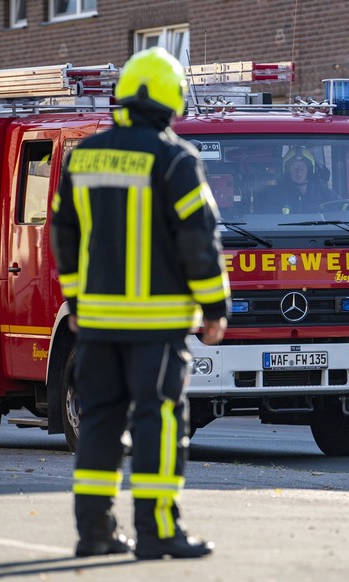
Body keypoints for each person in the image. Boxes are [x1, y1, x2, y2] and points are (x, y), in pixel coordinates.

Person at [50, 47, 230, 560]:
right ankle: (156, 532)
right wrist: (215, 308)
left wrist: (77, 298)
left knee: (101, 419)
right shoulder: (176, 158)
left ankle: (95, 531)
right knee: (158, 421)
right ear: (169, 99)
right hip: (158, 326)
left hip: (98, 323)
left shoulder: (82, 156)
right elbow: (199, 241)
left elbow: (63, 234)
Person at [255, 146, 339, 213]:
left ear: (310, 170)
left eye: (303, 167)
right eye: (294, 167)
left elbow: (345, 207)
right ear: (286, 170)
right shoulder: (275, 195)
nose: (299, 172)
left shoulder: (324, 193)